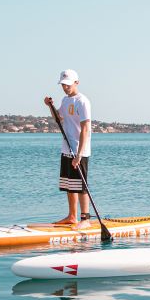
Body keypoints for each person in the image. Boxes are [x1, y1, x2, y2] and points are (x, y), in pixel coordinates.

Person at [43, 69, 93, 228]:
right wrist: (50, 106)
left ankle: (85, 219)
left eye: (68, 84)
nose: (65, 87)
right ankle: (72, 216)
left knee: (81, 185)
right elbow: (59, 118)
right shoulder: (65, 101)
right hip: (66, 147)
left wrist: (79, 155)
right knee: (69, 184)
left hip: (80, 150)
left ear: (76, 82)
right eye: (63, 85)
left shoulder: (83, 101)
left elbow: (85, 128)